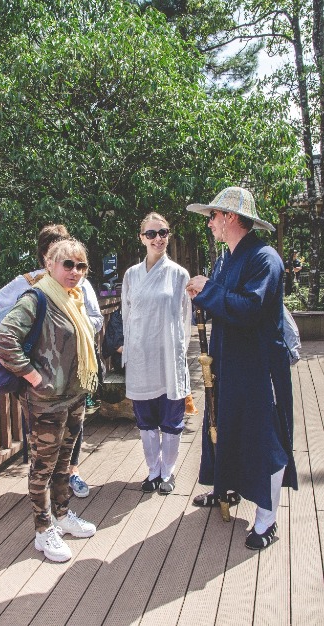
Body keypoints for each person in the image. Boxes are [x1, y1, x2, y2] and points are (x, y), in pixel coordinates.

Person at [0, 224, 104, 498]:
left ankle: (70, 476)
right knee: (40, 440)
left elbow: (96, 318)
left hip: (72, 376)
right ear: (47, 257)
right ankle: (43, 501)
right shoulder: (28, 285)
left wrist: (75, 328)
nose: (72, 267)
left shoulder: (79, 283)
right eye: (60, 256)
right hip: (40, 380)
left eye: (76, 261)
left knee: (71, 433)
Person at [186, 186, 298, 550]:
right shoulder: (225, 259)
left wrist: (208, 290)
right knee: (226, 425)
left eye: (213, 217)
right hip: (227, 361)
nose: (210, 224)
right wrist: (202, 294)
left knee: (265, 438)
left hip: (258, 365)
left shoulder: (265, 259)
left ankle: (267, 520)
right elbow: (221, 303)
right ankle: (226, 488)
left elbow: (249, 308)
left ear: (230, 217)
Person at [0, 238, 97, 562]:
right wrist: (34, 377)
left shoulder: (73, 298)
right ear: (50, 264)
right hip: (46, 401)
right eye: (68, 264)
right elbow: (3, 340)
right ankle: (43, 529)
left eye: (81, 266)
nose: (75, 271)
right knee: (42, 468)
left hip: (73, 396)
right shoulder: (37, 298)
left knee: (63, 464)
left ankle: (62, 516)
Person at [122, 212, 192, 494]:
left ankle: (168, 471)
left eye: (162, 232)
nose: (157, 239)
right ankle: (153, 470)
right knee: (146, 420)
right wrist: (128, 351)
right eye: (151, 234)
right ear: (142, 238)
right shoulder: (131, 275)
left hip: (168, 356)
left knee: (171, 419)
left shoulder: (178, 274)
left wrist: (179, 354)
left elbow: (185, 318)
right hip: (141, 355)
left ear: (168, 236)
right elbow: (126, 316)